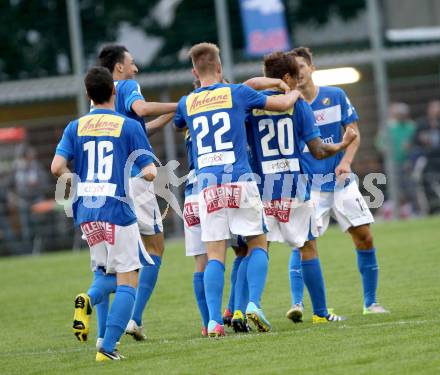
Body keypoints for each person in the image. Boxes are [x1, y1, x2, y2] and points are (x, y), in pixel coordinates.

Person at [174, 42, 301, 337]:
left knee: (215, 254)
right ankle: (253, 304)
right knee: (257, 242)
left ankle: (214, 321)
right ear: (220, 67)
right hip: (239, 179)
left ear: (194, 70)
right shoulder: (236, 93)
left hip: (206, 184)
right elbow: (283, 105)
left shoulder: (186, 102)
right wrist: (294, 90)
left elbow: (180, 123)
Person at [51, 66, 157, 361]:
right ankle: (107, 346)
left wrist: (75, 179)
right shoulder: (129, 126)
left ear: (88, 95)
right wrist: (148, 174)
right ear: (114, 91)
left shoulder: (75, 127)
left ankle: (89, 298)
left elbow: (56, 167)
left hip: (87, 212)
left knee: (104, 271)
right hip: (118, 210)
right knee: (129, 278)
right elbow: (148, 170)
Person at [245, 51, 356, 324]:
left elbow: (246, 88)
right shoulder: (300, 105)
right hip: (292, 185)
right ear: (286, 78)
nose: (298, 82)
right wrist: (342, 146)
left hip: (260, 187)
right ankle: (320, 313)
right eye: (295, 77)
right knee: (308, 247)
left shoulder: (248, 104)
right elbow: (317, 151)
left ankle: (249, 306)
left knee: (257, 248)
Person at [288, 47, 389, 315]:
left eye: (301, 67)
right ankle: (297, 303)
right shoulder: (290, 106)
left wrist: (346, 162)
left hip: (341, 181)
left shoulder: (335, 96)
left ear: (312, 68)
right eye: (293, 69)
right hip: (309, 186)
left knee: (365, 237)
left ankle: (370, 302)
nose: (298, 73)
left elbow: (353, 133)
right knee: (302, 244)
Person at [97, 45, 176, 341]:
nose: (136, 69)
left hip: (108, 185)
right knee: (155, 249)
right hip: (137, 178)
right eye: (132, 63)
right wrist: (178, 104)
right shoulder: (127, 86)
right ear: (119, 67)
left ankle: (104, 329)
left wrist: (171, 112)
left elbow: (137, 129)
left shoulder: (100, 99)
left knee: (111, 260)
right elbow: (141, 110)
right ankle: (135, 318)